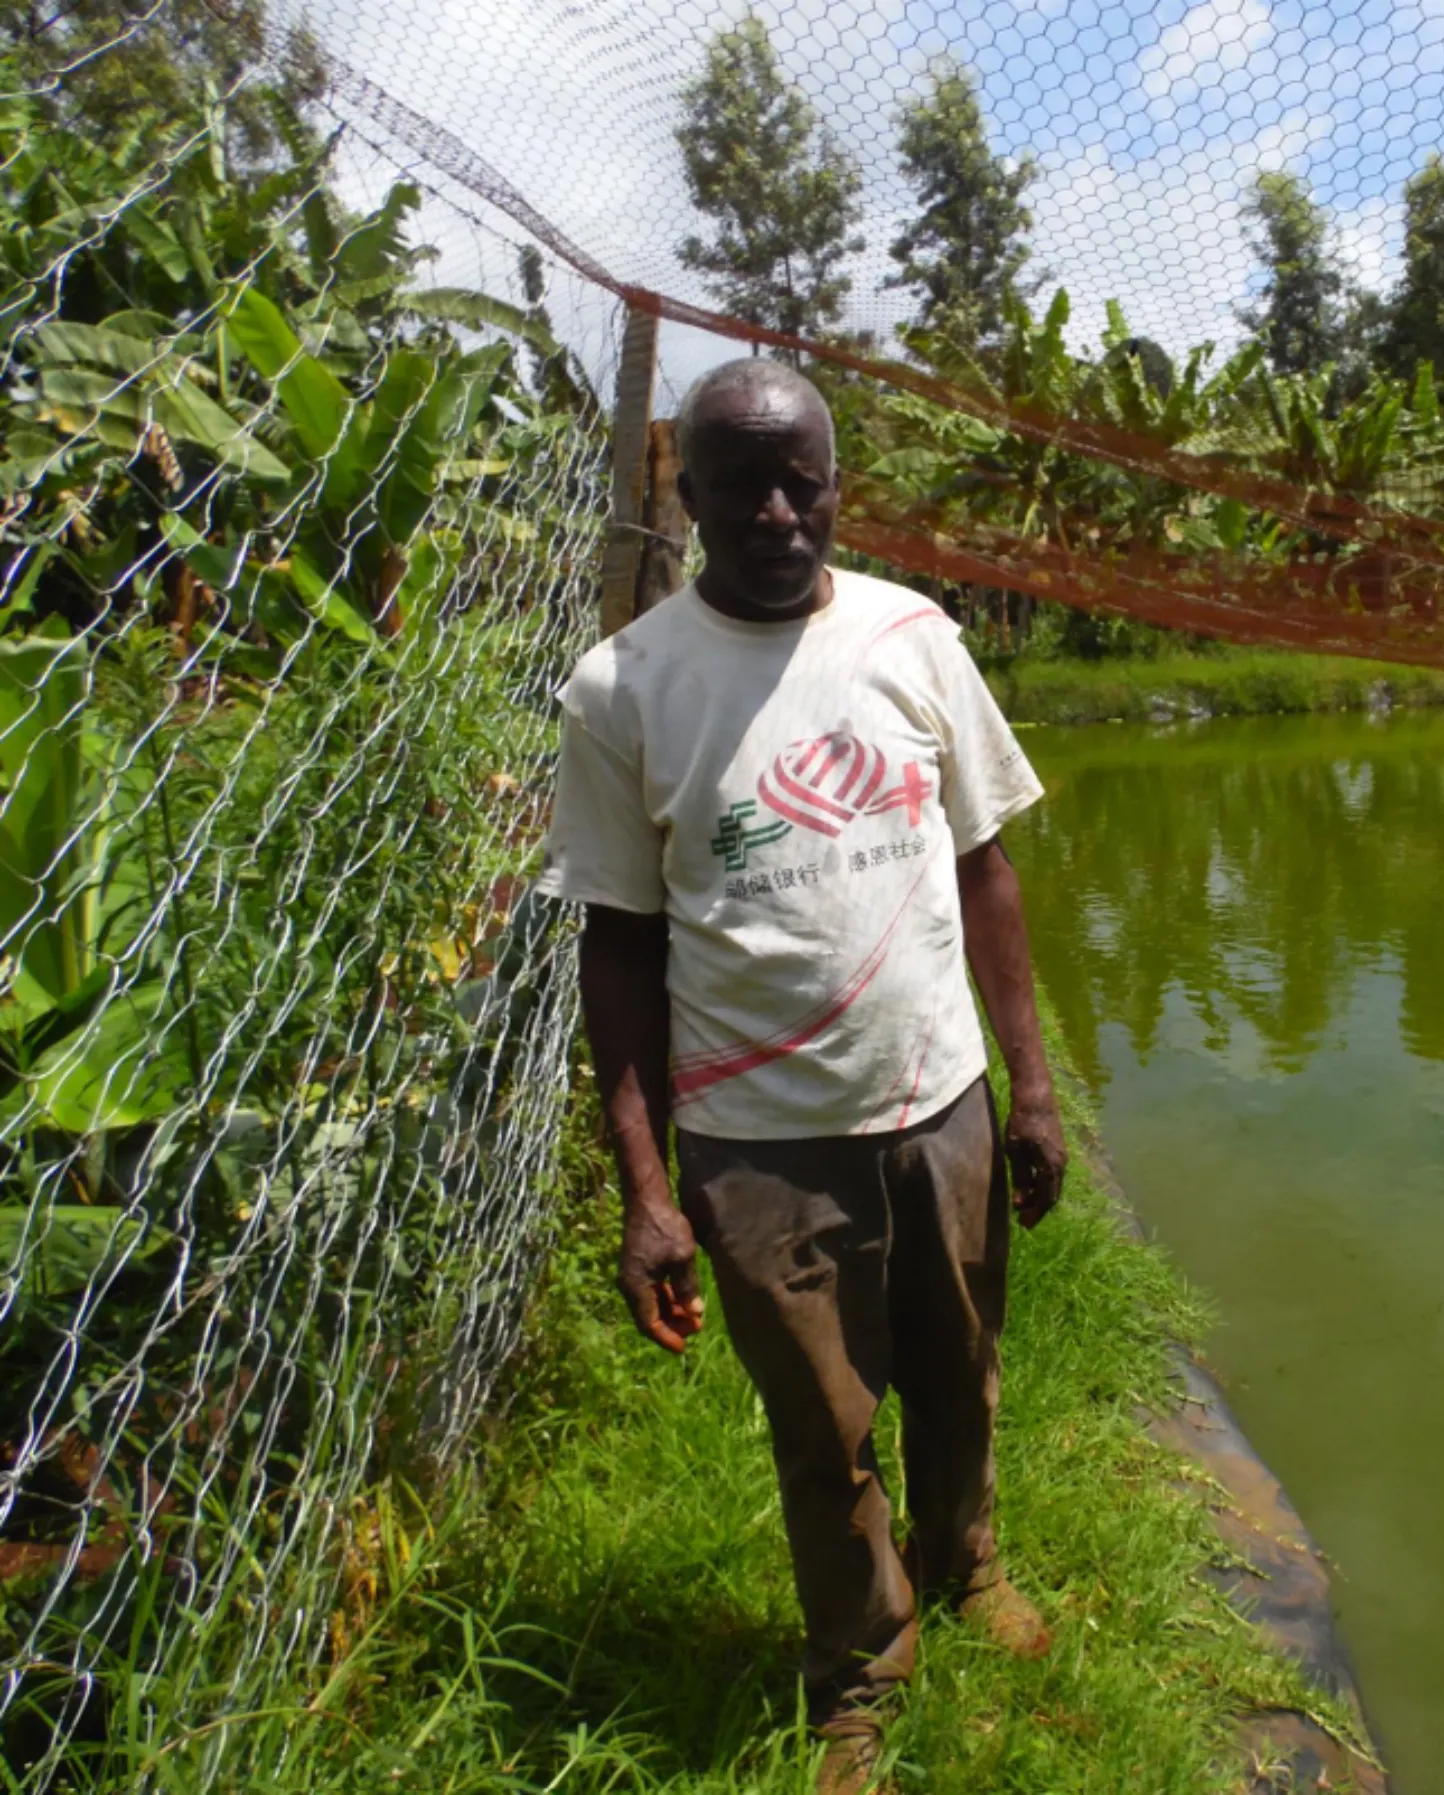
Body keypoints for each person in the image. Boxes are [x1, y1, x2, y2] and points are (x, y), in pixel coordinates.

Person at [537, 356, 1068, 1795]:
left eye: (804, 480)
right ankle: (857, 1672)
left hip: (938, 1097)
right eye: (741, 483)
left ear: (839, 486)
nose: (777, 511)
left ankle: (968, 1565)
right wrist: (646, 1188)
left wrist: (1028, 1085)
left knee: (961, 1367)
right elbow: (619, 950)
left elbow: (986, 869)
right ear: (688, 494)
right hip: (759, 1139)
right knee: (823, 1424)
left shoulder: (916, 637)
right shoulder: (624, 689)